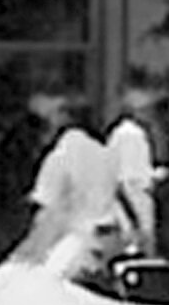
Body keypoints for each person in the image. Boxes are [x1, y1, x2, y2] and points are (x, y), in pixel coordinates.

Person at [24, 90, 122, 260]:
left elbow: (45, 208)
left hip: (71, 245)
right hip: (106, 240)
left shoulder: (61, 155)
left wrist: (32, 253)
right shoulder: (104, 152)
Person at [106, 73, 166, 253]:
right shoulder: (131, 136)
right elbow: (130, 184)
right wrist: (137, 227)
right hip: (134, 221)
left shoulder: (127, 134)